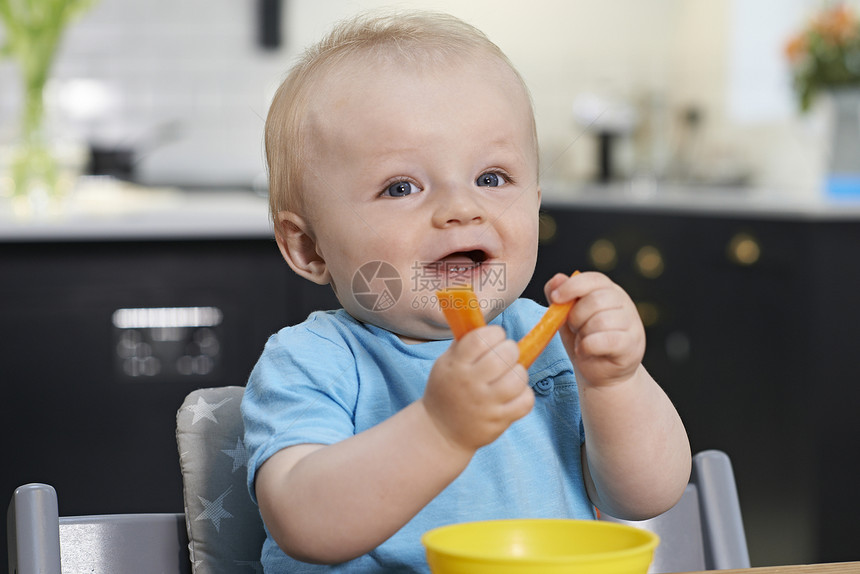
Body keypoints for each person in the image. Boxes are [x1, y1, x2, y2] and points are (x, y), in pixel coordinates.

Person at [242, 10, 691, 572]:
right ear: (309, 249)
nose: (461, 208)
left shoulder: (550, 343)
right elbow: (304, 522)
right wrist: (439, 428)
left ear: (536, 200)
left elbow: (647, 495)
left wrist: (615, 382)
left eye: (491, 178)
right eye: (401, 187)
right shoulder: (314, 363)